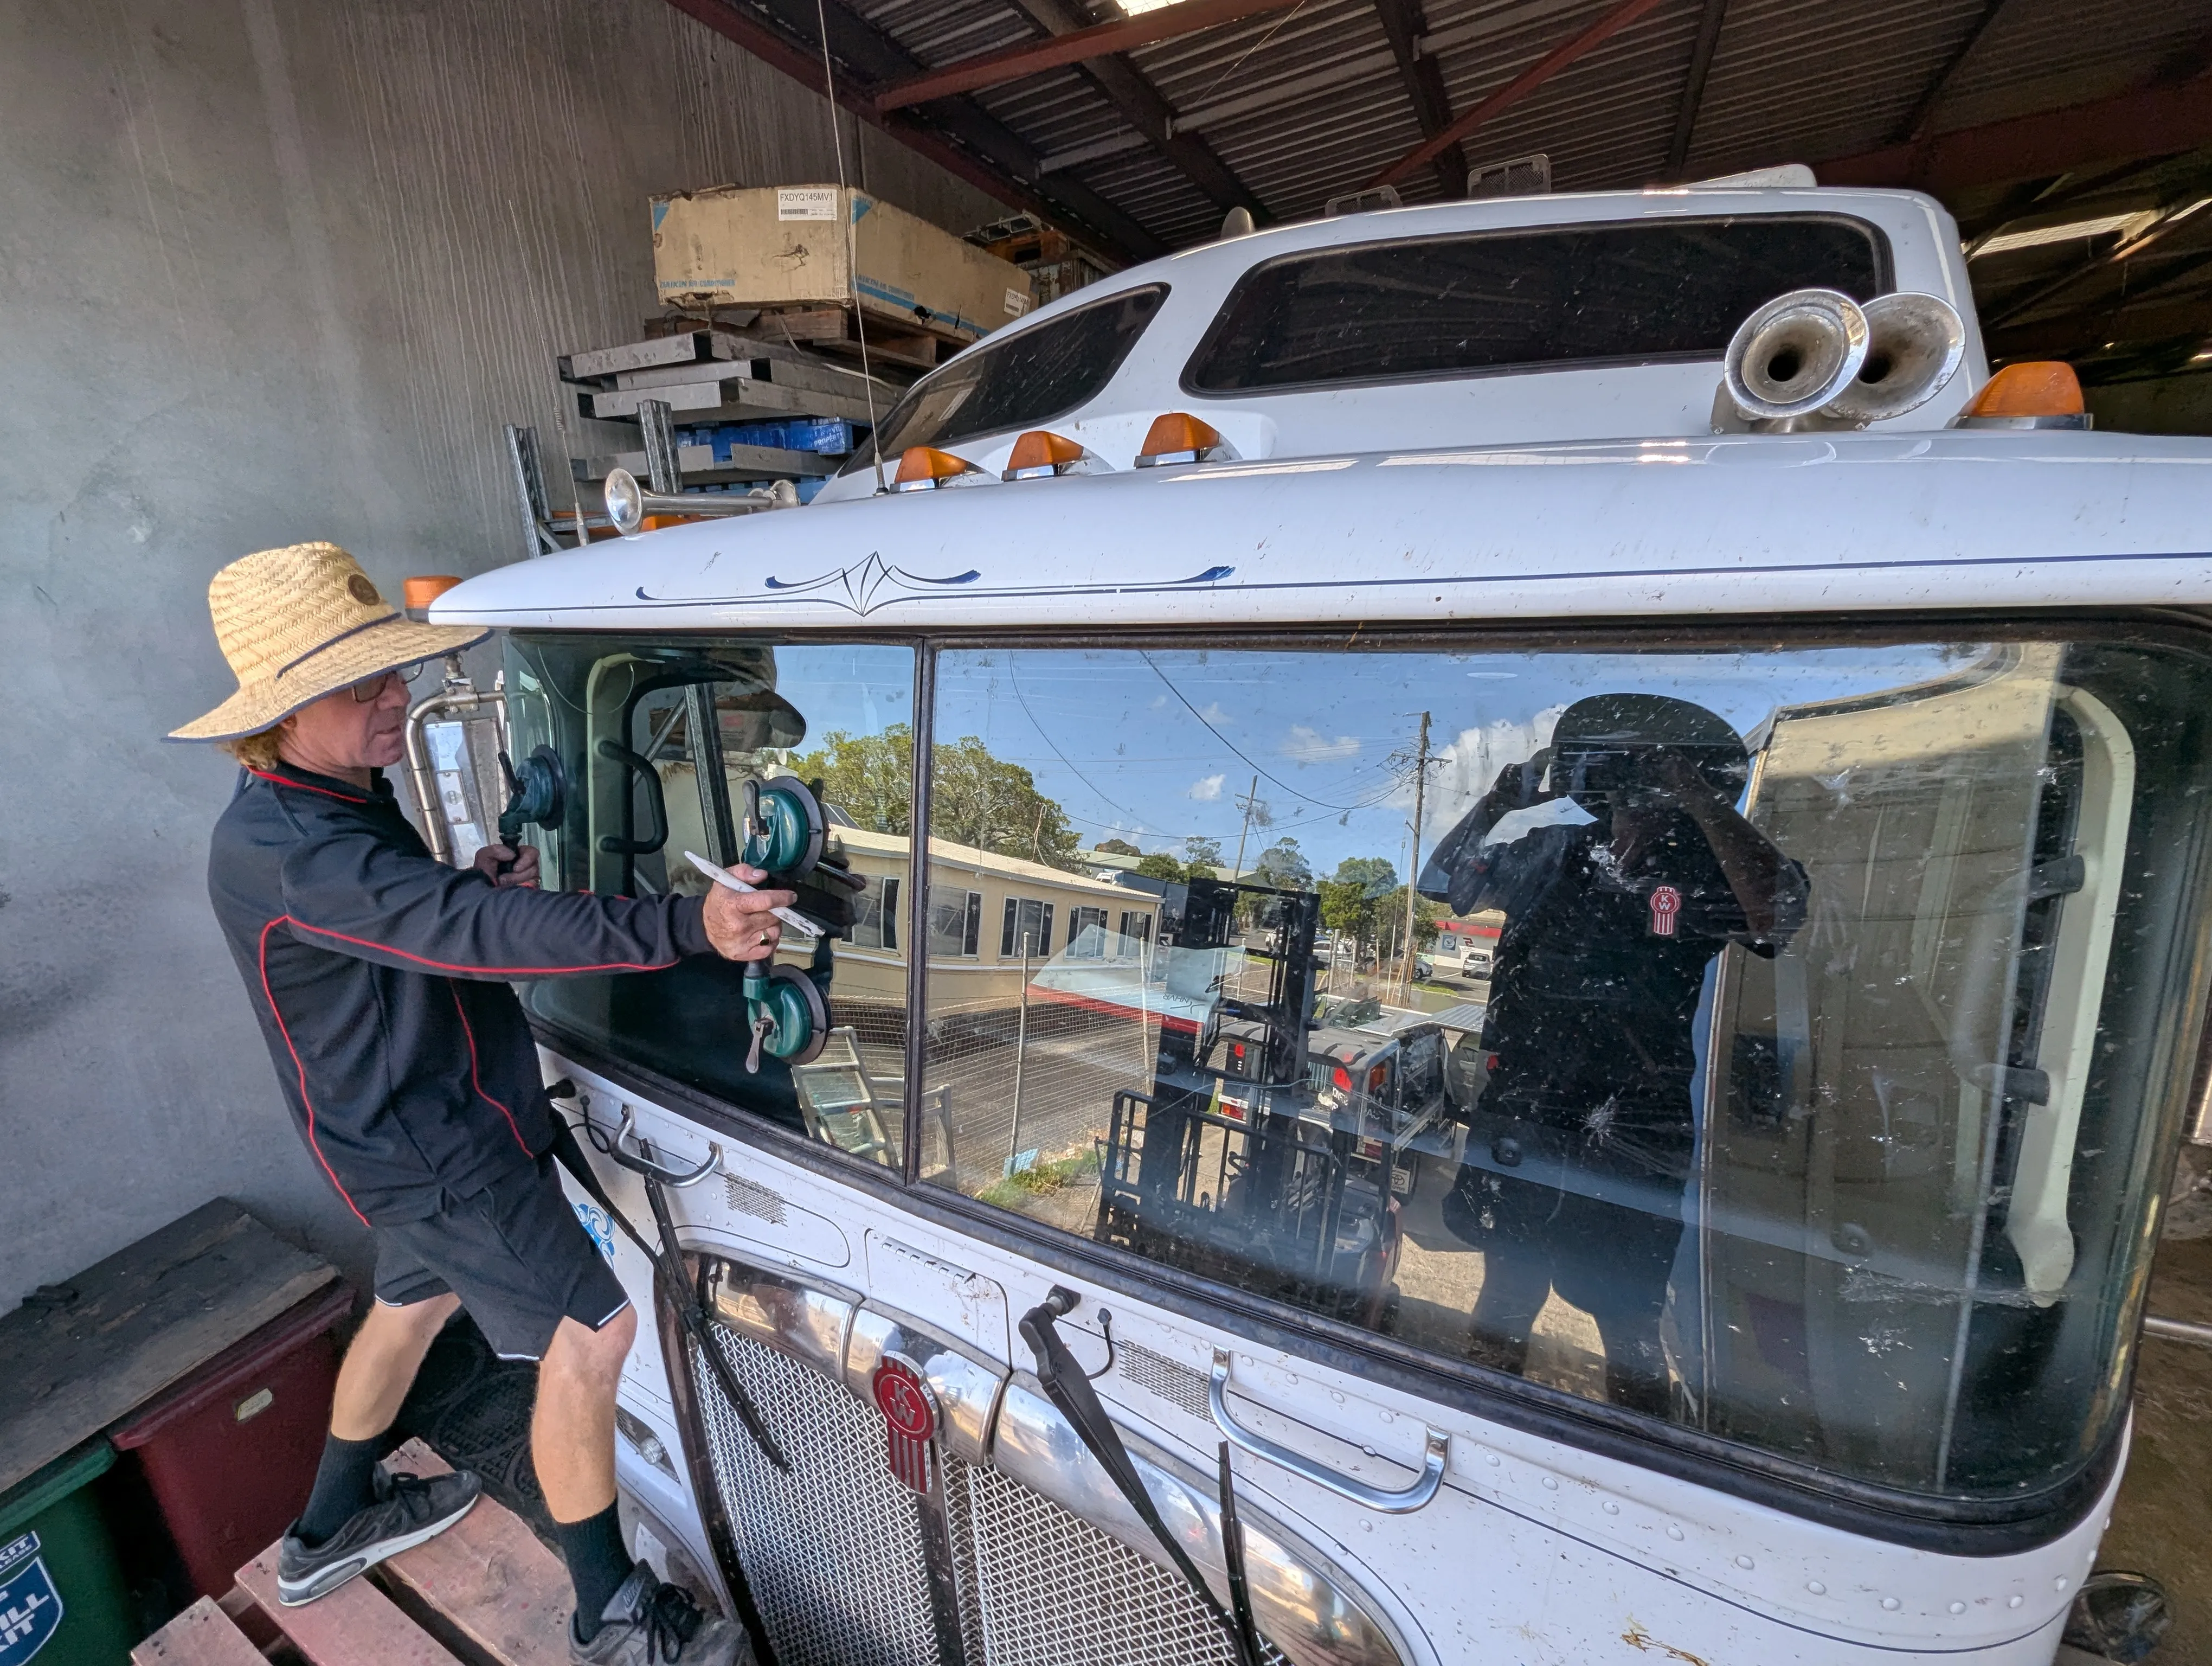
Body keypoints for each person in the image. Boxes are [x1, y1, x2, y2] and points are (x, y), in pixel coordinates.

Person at [169, 543, 789, 1665]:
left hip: (382, 1131)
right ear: (289, 709)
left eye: (393, 674)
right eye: (365, 684)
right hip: (438, 1143)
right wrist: (684, 927)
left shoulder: (321, 799)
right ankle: (609, 1612)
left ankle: (325, 1529)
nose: (395, 696)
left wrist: (470, 886)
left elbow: (417, 925)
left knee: (409, 1306)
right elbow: (458, 933)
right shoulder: (302, 851)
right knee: (590, 1328)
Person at [1416, 693, 1806, 1418]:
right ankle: (1478, 1429)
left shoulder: (1699, 865)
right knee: (1506, 1294)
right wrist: (1503, 797)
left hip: (1634, 1131)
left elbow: (1778, 914)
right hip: (1524, 1119)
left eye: (1652, 771)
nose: (1632, 786)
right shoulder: (1548, 849)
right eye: (1618, 769)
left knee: (1626, 1324)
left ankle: (1639, 1460)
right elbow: (1441, 884)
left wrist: (1696, 795)